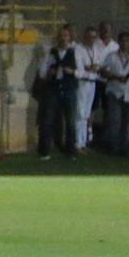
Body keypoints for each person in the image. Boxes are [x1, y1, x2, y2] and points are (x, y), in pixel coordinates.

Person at [37, 25, 83, 158]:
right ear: (57, 38)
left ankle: (71, 151)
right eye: (61, 36)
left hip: (69, 89)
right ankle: (44, 151)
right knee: (47, 120)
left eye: (66, 36)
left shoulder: (75, 52)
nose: (63, 39)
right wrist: (48, 73)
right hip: (54, 89)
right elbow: (41, 72)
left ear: (69, 37)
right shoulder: (50, 52)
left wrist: (73, 71)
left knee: (70, 122)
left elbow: (81, 72)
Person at [100, 32, 129, 156]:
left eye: (127, 41)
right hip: (114, 91)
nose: (125, 43)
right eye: (123, 41)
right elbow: (103, 71)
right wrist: (115, 76)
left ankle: (124, 147)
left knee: (127, 122)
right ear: (119, 42)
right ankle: (114, 146)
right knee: (115, 120)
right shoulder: (111, 56)